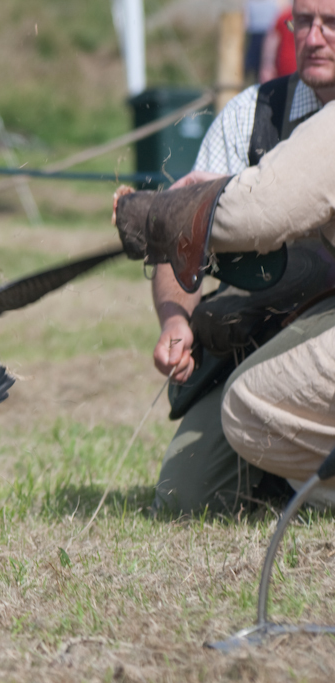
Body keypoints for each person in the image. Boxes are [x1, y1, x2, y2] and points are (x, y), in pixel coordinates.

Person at [137, 0, 335, 515]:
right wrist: (175, 317)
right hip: (254, 334)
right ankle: (288, 480)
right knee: (187, 500)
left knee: (258, 404)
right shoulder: (251, 114)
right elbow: (186, 234)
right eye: (304, 22)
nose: (314, 37)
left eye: (332, 23)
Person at [261, 2, 298, 81]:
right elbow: (272, 41)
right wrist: (268, 67)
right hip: (284, 73)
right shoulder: (285, 16)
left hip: (300, 71)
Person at [246, 1, 280, 81]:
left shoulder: (274, 3)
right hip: (255, 36)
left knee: (265, 67)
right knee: (255, 68)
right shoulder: (250, 3)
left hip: (267, 34)